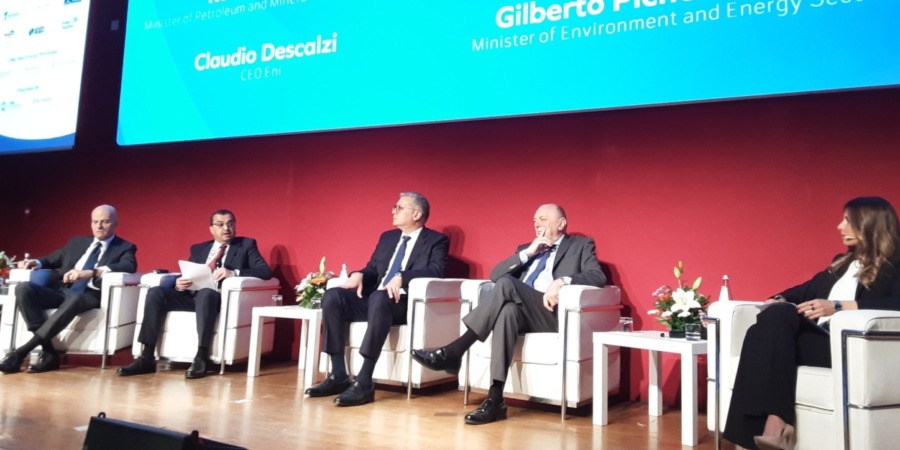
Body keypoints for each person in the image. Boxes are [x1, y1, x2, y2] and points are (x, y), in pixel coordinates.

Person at [724, 197, 900, 450]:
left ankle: (757, 433)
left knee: (770, 325)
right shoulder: (842, 263)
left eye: (847, 220)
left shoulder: (895, 263)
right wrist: (780, 298)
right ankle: (773, 426)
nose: (839, 226)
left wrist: (839, 306)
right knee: (769, 321)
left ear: (870, 223)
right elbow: (803, 290)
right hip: (820, 341)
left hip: (850, 347)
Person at [412, 203, 606, 424]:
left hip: (550, 313)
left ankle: (456, 350)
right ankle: (495, 400)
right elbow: (495, 275)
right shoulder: (527, 249)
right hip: (523, 311)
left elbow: (597, 275)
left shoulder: (579, 245)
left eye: (543, 219)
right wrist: (528, 253)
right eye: (534, 221)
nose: (537, 224)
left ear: (561, 223)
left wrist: (562, 281)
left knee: (507, 284)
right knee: (507, 312)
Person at [304, 192, 449, 406]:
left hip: (401, 303)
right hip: (375, 299)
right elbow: (373, 268)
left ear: (417, 214)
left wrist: (403, 277)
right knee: (333, 295)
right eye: (394, 207)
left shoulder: (436, 240)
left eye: (399, 208)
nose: (393, 211)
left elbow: (437, 271)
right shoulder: (388, 238)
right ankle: (338, 374)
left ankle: (364, 382)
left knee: (379, 298)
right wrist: (359, 274)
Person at [117, 209, 272, 379]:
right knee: (155, 293)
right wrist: (179, 282)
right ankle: (146, 358)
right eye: (220, 225)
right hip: (190, 296)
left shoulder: (246, 245)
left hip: (216, 298)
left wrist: (233, 272)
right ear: (211, 229)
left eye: (230, 224)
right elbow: (188, 272)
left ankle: (201, 357)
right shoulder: (199, 249)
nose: (226, 228)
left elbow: (265, 271)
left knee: (206, 293)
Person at [0, 205, 137, 374]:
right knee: (24, 288)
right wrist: (35, 262)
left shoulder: (124, 247)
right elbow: (51, 259)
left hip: (89, 294)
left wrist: (91, 272)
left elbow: (128, 266)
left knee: (75, 298)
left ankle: (19, 353)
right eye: (95, 222)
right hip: (62, 290)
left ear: (115, 223)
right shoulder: (77, 243)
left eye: (105, 222)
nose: (99, 226)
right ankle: (50, 353)